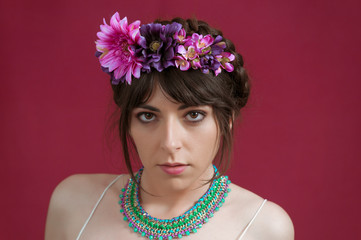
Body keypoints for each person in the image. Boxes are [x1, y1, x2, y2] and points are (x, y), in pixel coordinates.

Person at [45, 12, 294, 240]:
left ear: (226, 120)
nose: (169, 142)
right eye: (148, 117)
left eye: (194, 115)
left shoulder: (264, 227)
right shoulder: (73, 202)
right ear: (129, 122)